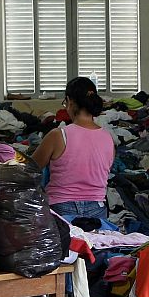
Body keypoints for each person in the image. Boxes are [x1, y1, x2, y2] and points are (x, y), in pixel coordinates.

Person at [32, 77, 115, 221]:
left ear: (70, 101)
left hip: (61, 208)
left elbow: (30, 169)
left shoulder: (59, 135)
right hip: (97, 211)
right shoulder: (108, 138)